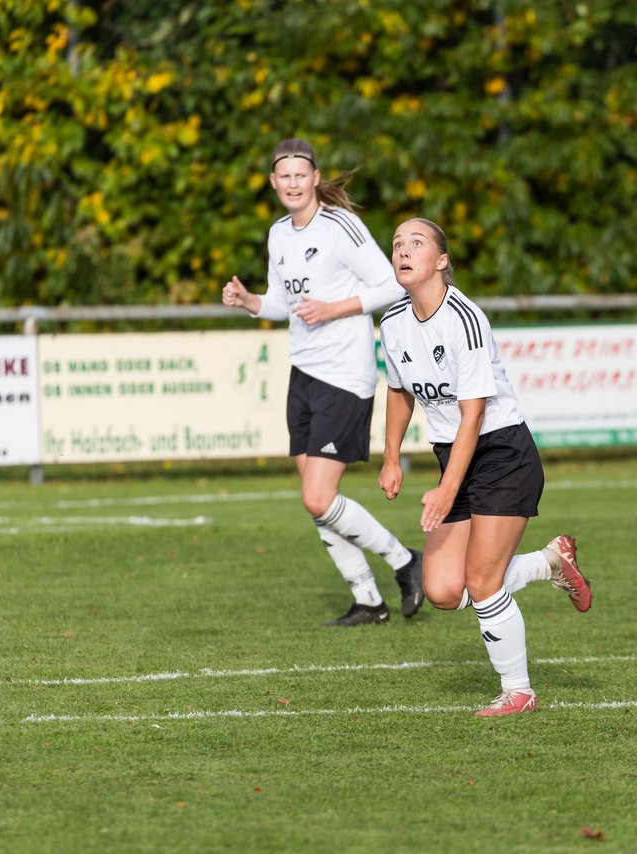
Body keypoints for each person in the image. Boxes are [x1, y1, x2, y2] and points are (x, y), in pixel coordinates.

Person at [377, 217, 592, 717]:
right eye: (397, 245)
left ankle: (519, 691)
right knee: (444, 591)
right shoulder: (391, 322)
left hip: (501, 453)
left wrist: (448, 490)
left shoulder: (464, 318)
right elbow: (397, 390)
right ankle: (549, 563)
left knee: (483, 581)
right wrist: (391, 458)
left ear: (442, 260)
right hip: (454, 456)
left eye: (417, 243)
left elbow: (474, 413)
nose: (404, 251)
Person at [222, 137, 423, 627]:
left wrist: (337, 308)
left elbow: (393, 281)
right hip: (304, 373)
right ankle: (368, 601)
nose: (292, 183)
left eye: (300, 175)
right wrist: (250, 302)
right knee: (319, 502)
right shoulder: (278, 234)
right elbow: (281, 303)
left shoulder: (340, 227)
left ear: (315, 178)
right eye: (283, 176)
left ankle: (405, 562)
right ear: (273, 183)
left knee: (317, 497)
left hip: (345, 375)